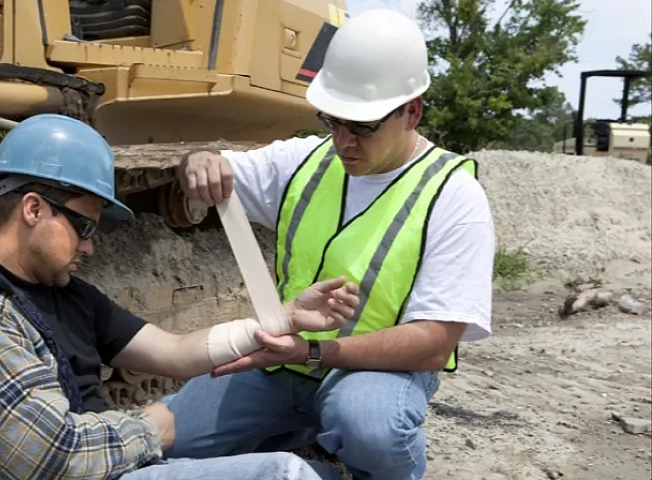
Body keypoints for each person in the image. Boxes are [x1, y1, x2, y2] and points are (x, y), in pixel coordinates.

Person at [0, 113, 363, 480]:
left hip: (92, 462)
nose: (89, 245)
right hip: (62, 468)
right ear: (32, 208)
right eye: (83, 226)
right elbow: (47, 457)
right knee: (283, 476)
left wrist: (285, 319)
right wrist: (152, 428)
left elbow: (172, 352)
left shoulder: (65, 294)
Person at [161, 8, 496, 480]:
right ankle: (309, 447)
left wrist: (312, 352)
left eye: (362, 126)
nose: (344, 141)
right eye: (333, 121)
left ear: (412, 111)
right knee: (172, 440)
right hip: (283, 364)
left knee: (372, 427)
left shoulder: (453, 196)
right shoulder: (305, 160)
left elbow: (433, 345)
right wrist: (198, 161)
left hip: (376, 374)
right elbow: (213, 166)